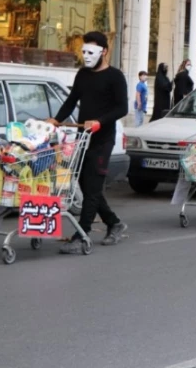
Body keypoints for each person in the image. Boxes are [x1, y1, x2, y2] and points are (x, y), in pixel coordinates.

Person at [48, 31, 128, 253]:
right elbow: (72, 100)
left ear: (104, 51)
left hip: (103, 139)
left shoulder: (115, 76)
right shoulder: (82, 75)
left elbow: (122, 108)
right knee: (86, 185)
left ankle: (81, 235)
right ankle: (114, 223)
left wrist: (100, 122)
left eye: (91, 52)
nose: (86, 56)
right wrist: (56, 119)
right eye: (83, 51)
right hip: (82, 138)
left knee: (92, 188)